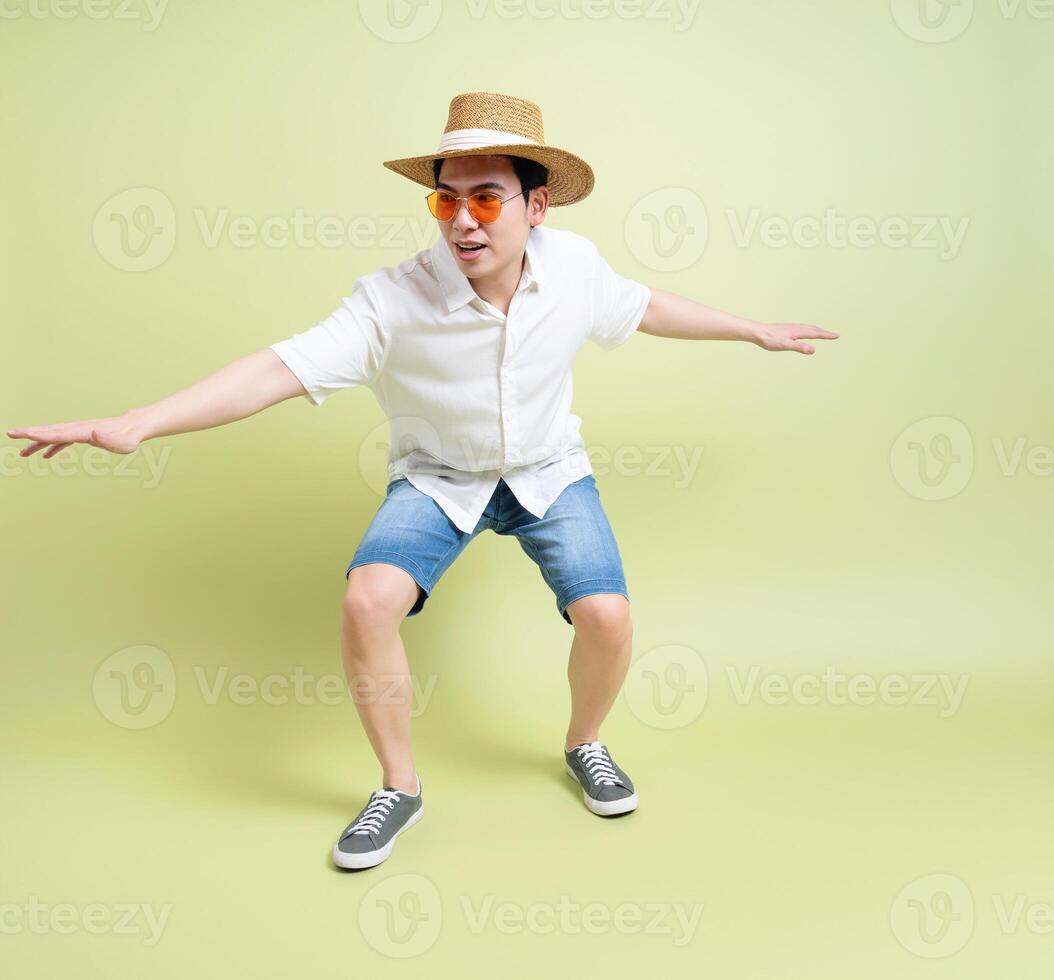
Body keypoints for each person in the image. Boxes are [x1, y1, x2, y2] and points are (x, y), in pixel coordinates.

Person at [6, 91, 839, 871]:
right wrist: (138, 423)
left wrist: (750, 330)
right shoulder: (390, 301)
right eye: (448, 200)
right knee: (368, 599)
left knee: (609, 617)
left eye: (486, 198)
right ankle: (398, 789)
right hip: (441, 481)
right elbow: (275, 370)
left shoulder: (576, 268)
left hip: (550, 472)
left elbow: (645, 305)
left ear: (535, 208)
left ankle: (584, 742)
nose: (464, 221)